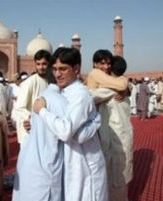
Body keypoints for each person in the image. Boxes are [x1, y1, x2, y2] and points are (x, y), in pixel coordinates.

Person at [13, 47, 107, 201]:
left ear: (76, 69)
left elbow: (65, 131)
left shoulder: (80, 95)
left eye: (63, 69)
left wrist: (42, 111)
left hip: (85, 166)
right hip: (70, 166)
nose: (57, 74)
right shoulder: (61, 92)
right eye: (55, 69)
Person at [89, 55, 133, 201]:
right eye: (102, 64)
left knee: (116, 177)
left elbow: (89, 95)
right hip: (119, 136)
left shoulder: (108, 91)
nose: (105, 68)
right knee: (116, 175)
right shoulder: (120, 86)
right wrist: (126, 87)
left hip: (116, 138)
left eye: (108, 64)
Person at [12, 49, 51, 144]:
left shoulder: (51, 82)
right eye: (38, 64)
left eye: (44, 64)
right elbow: (19, 107)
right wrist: (30, 119)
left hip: (46, 129)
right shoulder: (30, 82)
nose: (41, 67)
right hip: (30, 130)